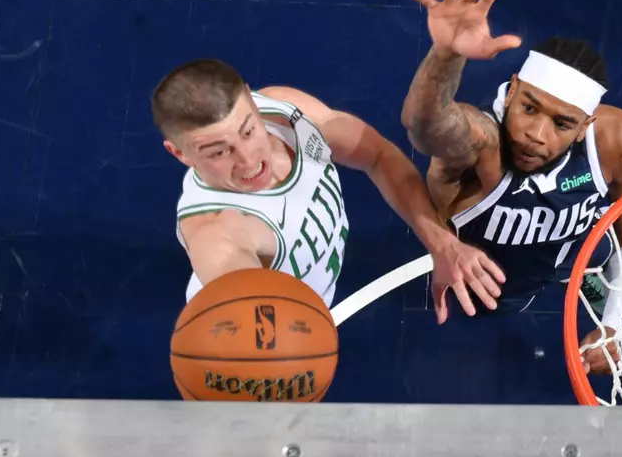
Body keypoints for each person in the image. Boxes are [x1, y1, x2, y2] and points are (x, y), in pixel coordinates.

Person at [400, 0, 622, 373]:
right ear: (513, 87)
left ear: (583, 127)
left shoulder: (616, 139)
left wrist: (615, 327)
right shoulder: (484, 144)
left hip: (568, 250)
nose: (535, 134)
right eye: (529, 108)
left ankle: (590, 276)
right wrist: (445, 55)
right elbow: (425, 126)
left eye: (561, 123)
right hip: (490, 281)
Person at [153, 59, 502, 319]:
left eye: (247, 130)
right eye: (218, 151)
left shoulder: (286, 109)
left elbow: (379, 156)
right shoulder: (218, 233)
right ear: (180, 154)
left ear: (250, 98)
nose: (248, 160)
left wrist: (441, 243)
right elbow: (256, 333)